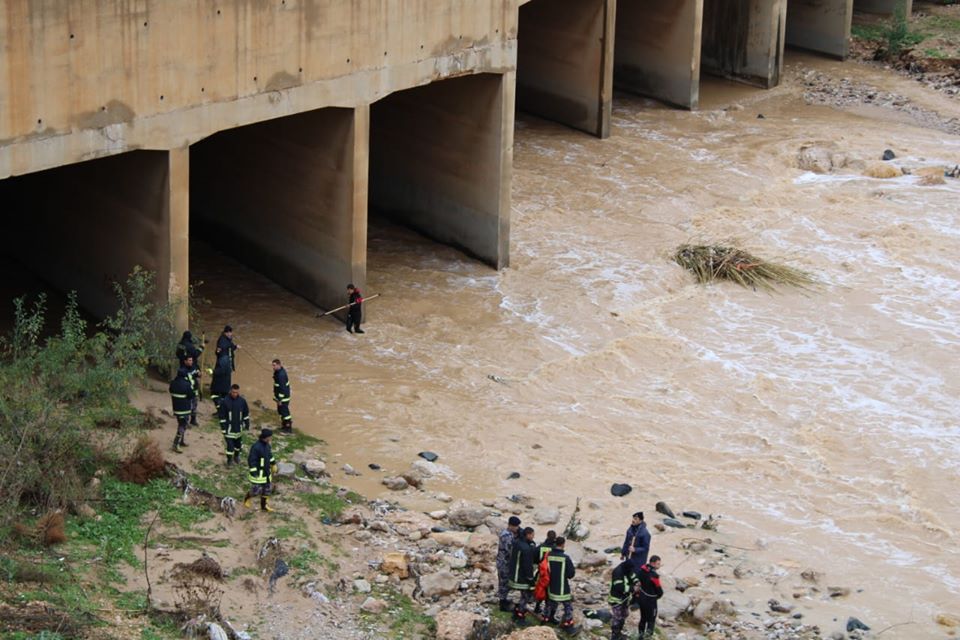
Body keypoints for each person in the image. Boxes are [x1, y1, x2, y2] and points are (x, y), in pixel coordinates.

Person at [543, 536, 577, 632]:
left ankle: (546, 619)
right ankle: (568, 625)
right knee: (567, 606)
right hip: (562, 587)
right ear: (563, 544)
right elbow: (571, 573)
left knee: (549, 603)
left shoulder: (548, 556)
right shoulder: (565, 558)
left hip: (550, 586)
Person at [508, 527, 538, 625]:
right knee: (525, 596)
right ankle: (520, 616)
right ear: (528, 535)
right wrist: (531, 579)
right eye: (533, 535)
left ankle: (516, 613)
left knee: (523, 596)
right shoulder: (526, 548)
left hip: (513, 574)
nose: (533, 537)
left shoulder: (517, 543)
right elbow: (528, 566)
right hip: (521, 577)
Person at [244, 428, 276, 512]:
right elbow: (251, 460)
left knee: (267, 490)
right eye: (270, 437)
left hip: (266, 473)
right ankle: (247, 498)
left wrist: (273, 464)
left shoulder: (267, 445)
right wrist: (254, 472)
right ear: (266, 437)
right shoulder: (256, 447)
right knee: (256, 491)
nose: (271, 438)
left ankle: (264, 506)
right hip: (258, 474)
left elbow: (270, 455)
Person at [218, 384, 250, 466]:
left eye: (236, 392)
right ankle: (229, 460)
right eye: (233, 392)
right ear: (230, 391)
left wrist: (247, 424)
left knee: (238, 445)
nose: (234, 394)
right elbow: (221, 417)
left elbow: (245, 413)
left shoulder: (242, 401)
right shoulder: (225, 401)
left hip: (238, 428)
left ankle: (236, 456)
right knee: (230, 447)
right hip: (229, 429)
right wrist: (223, 429)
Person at [176, 330, 204, 424]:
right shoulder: (189, 346)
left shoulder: (180, 344)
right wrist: (201, 347)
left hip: (182, 366)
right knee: (191, 397)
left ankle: (191, 419)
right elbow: (196, 354)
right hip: (190, 369)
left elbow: (177, 354)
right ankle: (191, 419)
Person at [608, 559, 640, 640]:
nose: (631, 570)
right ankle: (614, 636)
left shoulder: (627, 569)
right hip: (616, 599)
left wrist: (637, 581)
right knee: (617, 617)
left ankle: (619, 633)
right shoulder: (617, 572)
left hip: (625, 598)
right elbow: (619, 586)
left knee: (624, 615)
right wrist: (633, 588)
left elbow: (632, 575)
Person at [497, 516, 522, 611]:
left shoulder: (510, 534)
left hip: (505, 562)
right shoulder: (506, 535)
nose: (517, 528)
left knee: (506, 582)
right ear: (510, 526)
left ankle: (504, 599)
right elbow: (510, 550)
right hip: (504, 563)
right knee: (503, 582)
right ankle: (502, 604)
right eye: (516, 526)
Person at [168, 366, 195, 453]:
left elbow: (170, 390)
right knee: (182, 425)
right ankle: (176, 444)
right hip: (185, 408)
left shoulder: (173, 383)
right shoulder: (187, 384)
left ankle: (181, 441)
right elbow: (192, 395)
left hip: (176, 408)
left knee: (181, 424)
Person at [636, 555, 664, 639]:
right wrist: (657, 596)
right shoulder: (654, 575)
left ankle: (640, 636)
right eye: (658, 564)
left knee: (643, 618)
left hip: (642, 598)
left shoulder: (642, 570)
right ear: (653, 563)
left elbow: (638, 580)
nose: (659, 565)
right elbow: (659, 591)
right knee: (651, 620)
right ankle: (648, 637)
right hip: (651, 600)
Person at [533, 530, 557, 617]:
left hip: (542, 573)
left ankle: (537, 606)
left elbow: (534, 559)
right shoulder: (555, 548)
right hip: (551, 574)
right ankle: (547, 612)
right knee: (549, 593)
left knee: (541, 590)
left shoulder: (541, 547)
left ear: (547, 536)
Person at [272, 359, 292, 434]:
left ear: (279, 365)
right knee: (281, 411)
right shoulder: (278, 372)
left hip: (283, 398)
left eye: (274, 365)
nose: (273, 367)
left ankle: (288, 428)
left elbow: (282, 389)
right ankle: (284, 426)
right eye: (272, 365)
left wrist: (279, 399)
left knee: (285, 413)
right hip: (280, 397)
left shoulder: (281, 375)